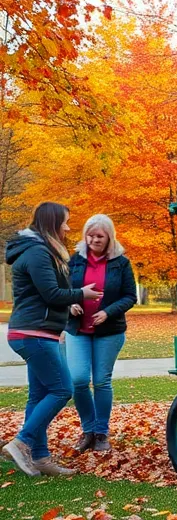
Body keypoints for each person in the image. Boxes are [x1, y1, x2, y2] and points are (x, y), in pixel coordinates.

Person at [2, 203, 102, 476]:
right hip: (33, 333)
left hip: (40, 332)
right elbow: (52, 294)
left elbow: (47, 294)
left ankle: (40, 459)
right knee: (62, 389)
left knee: (39, 394)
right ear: (51, 224)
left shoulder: (40, 251)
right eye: (65, 223)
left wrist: (67, 306)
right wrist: (81, 294)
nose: (68, 228)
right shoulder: (37, 253)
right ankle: (22, 442)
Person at [66, 215, 137, 454]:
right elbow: (61, 290)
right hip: (78, 330)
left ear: (109, 238)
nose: (94, 240)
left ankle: (101, 432)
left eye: (99, 236)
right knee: (77, 380)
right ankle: (88, 430)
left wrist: (108, 312)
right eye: (90, 235)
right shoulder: (74, 261)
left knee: (101, 381)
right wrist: (70, 302)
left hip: (109, 331)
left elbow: (130, 296)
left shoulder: (121, 263)